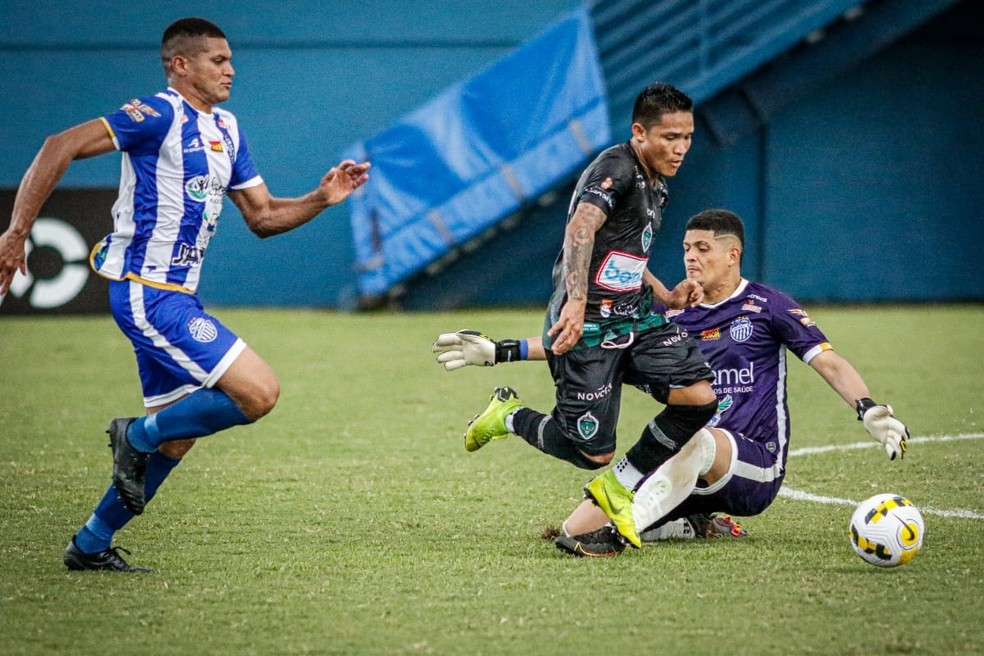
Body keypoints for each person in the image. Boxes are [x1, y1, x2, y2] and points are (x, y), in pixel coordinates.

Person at [0, 17, 370, 572]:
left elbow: (264, 216)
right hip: (148, 294)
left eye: (230, 60)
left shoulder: (227, 128)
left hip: (177, 296)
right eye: (217, 60)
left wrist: (320, 198)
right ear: (181, 64)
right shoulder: (159, 114)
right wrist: (16, 232)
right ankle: (135, 435)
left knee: (178, 439)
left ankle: (91, 543)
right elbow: (61, 145)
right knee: (259, 393)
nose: (230, 69)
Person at [433, 209, 910, 557]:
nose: (691, 258)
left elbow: (829, 363)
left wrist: (867, 407)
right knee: (573, 530)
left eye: (703, 249)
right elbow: (585, 339)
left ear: (733, 255)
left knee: (696, 439)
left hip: (754, 463)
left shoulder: (767, 306)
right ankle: (685, 521)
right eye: (685, 249)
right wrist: (499, 351)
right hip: (682, 460)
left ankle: (621, 534)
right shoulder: (663, 313)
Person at [450, 82, 719, 550]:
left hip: (634, 318)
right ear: (639, 133)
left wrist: (666, 294)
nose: (681, 148)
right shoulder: (617, 168)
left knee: (698, 398)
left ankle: (619, 486)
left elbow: (625, 253)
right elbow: (581, 228)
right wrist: (576, 301)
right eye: (670, 137)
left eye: (687, 137)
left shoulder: (656, 182)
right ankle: (508, 416)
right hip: (589, 325)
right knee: (592, 452)